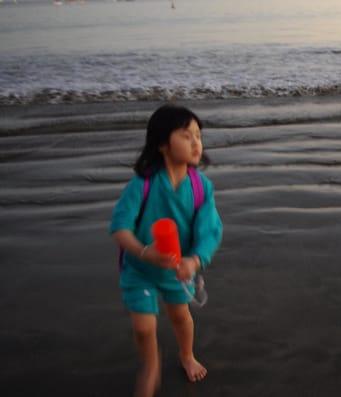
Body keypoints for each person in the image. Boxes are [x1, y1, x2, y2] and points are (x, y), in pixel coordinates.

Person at [109, 104, 223, 397]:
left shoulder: (201, 187)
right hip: (140, 269)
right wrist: (145, 251)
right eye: (186, 136)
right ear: (162, 144)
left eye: (198, 135)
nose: (196, 142)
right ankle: (151, 365)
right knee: (144, 327)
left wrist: (195, 260)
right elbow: (120, 228)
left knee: (181, 317)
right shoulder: (143, 185)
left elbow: (210, 231)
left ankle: (187, 354)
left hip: (176, 269)